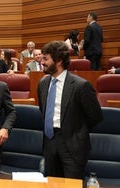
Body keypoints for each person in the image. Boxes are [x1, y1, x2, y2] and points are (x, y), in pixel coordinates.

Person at [37, 41, 103, 179]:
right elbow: (43, 110)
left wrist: (77, 133)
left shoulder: (81, 86)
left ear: (59, 61)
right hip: (49, 142)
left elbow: (96, 117)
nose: (42, 62)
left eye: (46, 59)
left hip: (73, 145)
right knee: (52, 184)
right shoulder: (42, 83)